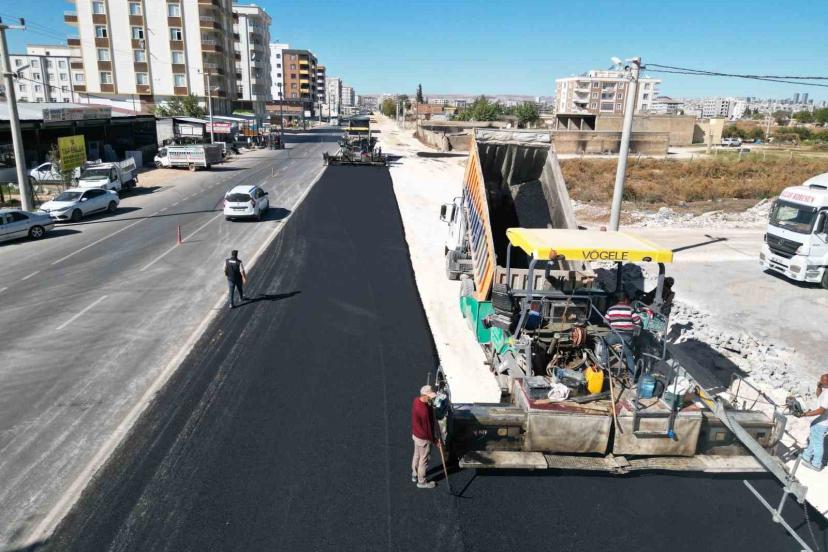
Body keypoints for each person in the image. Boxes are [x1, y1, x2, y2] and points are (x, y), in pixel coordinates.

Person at [602, 292, 641, 378]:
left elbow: (605, 321)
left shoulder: (611, 309)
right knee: (629, 355)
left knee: (604, 342)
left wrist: (614, 323)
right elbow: (638, 321)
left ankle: (604, 363)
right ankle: (631, 378)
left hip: (615, 335)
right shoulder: (630, 309)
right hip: (627, 336)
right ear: (626, 299)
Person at [411, 385, 438, 489]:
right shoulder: (424, 412)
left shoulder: (416, 401)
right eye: (430, 396)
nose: (432, 398)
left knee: (416, 455)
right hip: (424, 439)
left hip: (416, 435)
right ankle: (421, 482)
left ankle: (414, 474)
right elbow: (428, 430)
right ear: (425, 396)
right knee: (424, 460)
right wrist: (434, 440)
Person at [801, 374, 828, 471]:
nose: (820, 381)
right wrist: (819, 387)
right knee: (813, 439)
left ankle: (816, 464)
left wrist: (805, 414)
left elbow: (822, 410)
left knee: (817, 443)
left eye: (823, 380)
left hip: (822, 423)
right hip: (819, 422)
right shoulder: (825, 391)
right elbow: (818, 396)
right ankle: (806, 456)